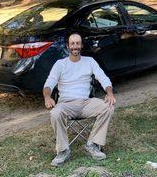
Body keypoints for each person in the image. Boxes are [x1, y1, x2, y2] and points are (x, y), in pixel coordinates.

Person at [43, 32, 116, 167]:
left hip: (85, 102)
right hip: (66, 104)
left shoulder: (89, 61)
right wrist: (47, 97)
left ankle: (93, 144)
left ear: (81, 45)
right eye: (72, 43)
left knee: (108, 107)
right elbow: (49, 83)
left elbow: (103, 78)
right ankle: (63, 151)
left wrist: (109, 93)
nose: (75, 46)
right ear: (68, 46)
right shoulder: (60, 64)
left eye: (77, 43)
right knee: (55, 113)